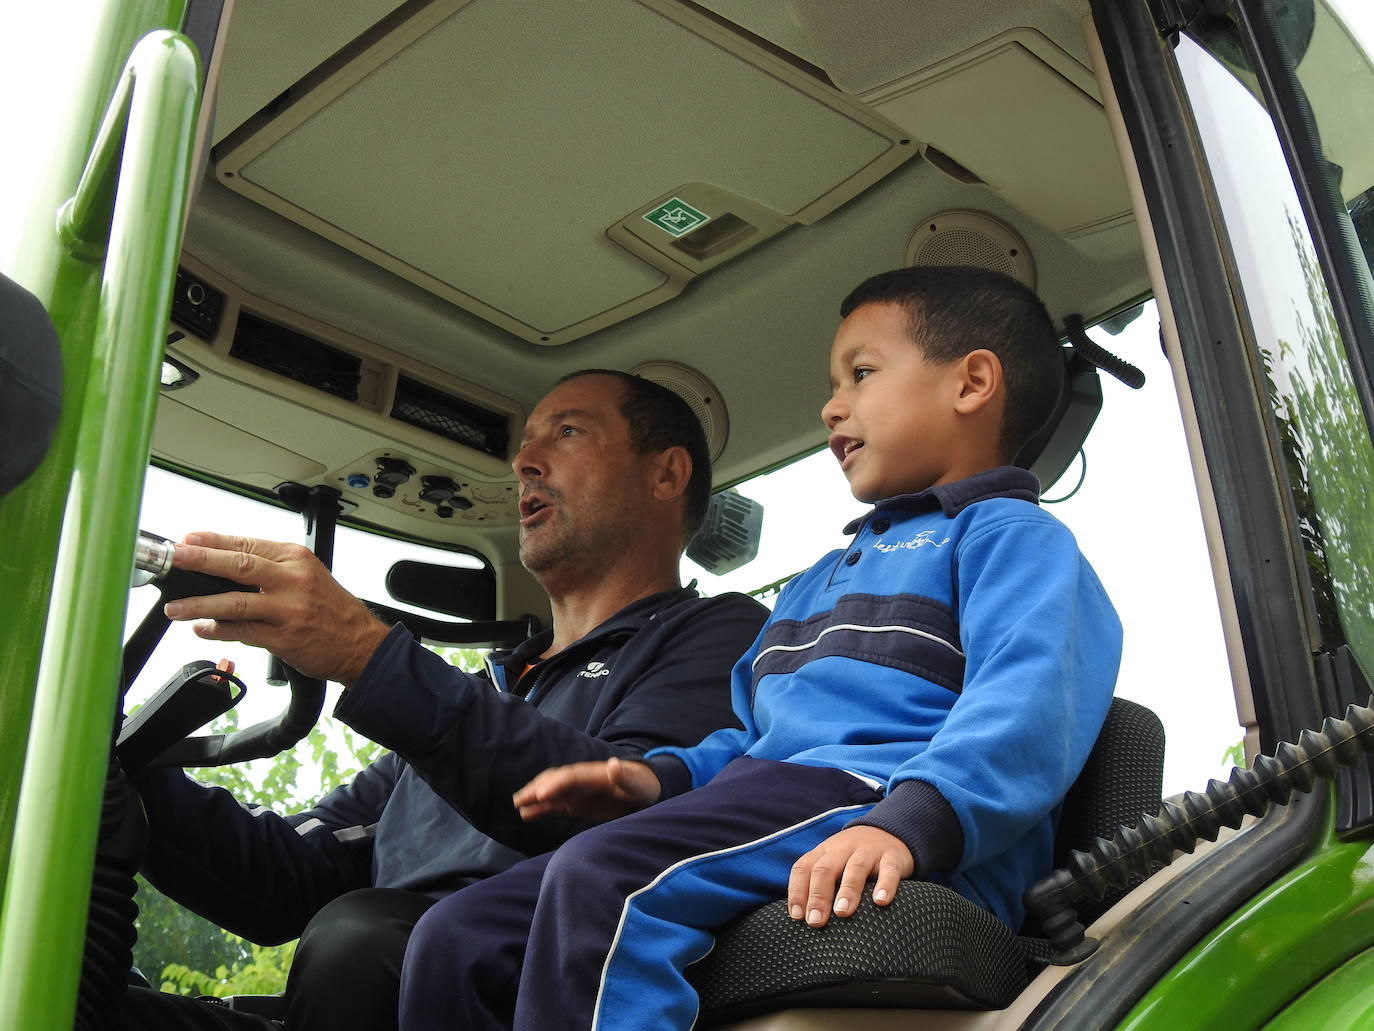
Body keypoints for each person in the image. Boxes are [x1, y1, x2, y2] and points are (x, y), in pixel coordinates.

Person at [396, 266, 1125, 1031]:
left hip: (880, 799)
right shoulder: (818, 580)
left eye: (862, 373)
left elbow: (1028, 705)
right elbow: (752, 741)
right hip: (773, 796)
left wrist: (911, 820)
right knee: (458, 934)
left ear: (972, 382)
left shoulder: (1014, 540)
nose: (831, 405)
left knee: (604, 874)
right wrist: (659, 780)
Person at [120, 370, 769, 1031]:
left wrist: (364, 655)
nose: (523, 461)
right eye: (524, 443)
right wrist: (120, 768)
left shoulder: (723, 636)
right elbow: (288, 877)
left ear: (666, 475)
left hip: (514, 992)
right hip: (363, 989)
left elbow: (627, 819)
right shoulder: (488, 691)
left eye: (567, 432)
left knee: (359, 936)